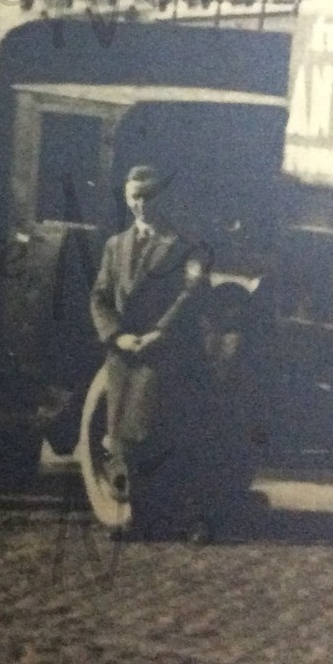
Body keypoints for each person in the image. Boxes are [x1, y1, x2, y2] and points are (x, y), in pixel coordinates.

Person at [89, 164, 205, 540]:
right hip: (124, 353)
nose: (142, 205)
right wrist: (117, 335)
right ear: (127, 199)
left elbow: (188, 295)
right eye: (135, 197)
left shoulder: (185, 245)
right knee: (124, 440)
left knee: (167, 437)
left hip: (165, 353)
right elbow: (100, 298)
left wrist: (158, 333)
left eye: (149, 196)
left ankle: (184, 520)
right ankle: (136, 517)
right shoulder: (115, 245)